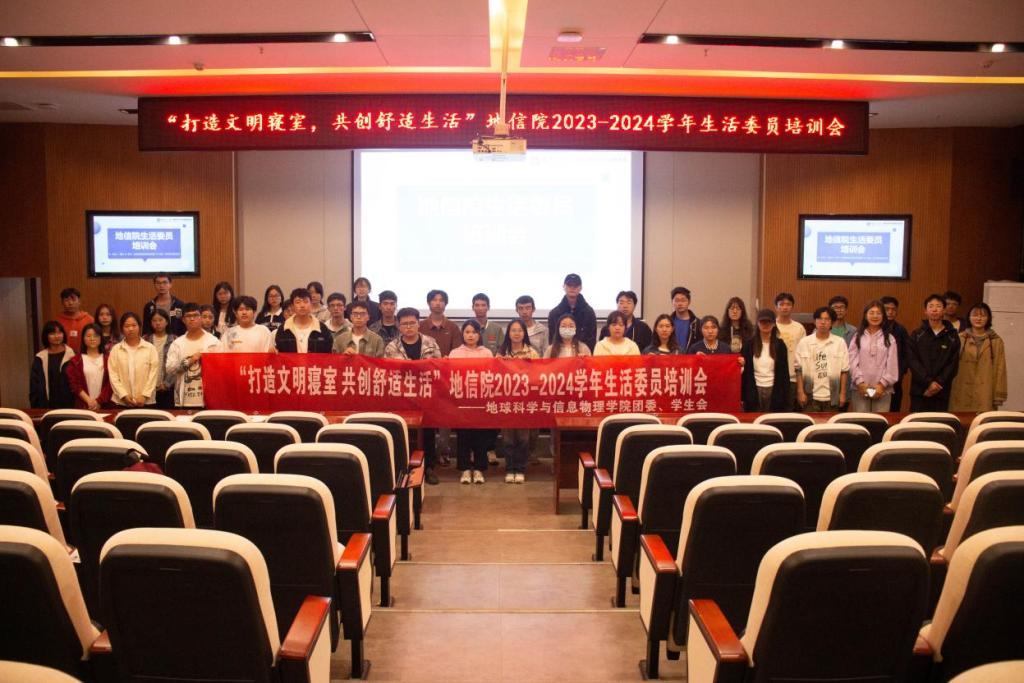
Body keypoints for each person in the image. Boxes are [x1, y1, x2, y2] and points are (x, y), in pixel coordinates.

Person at [385, 307, 443, 485]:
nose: (408, 327)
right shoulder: (392, 347)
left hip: (426, 395)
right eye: (404, 324)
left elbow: (439, 367)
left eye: (412, 323)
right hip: (402, 398)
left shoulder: (430, 343)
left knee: (428, 433)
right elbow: (387, 372)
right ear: (398, 325)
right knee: (404, 433)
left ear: (419, 324)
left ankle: (429, 467)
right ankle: (405, 468)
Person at [450, 320, 493, 484]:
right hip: (462, 400)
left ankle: (480, 469)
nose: (470, 335)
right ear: (462, 334)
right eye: (467, 332)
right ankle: (465, 469)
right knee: (463, 436)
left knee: (481, 436)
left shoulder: (487, 353)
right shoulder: (455, 353)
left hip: (481, 400)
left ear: (479, 334)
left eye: (474, 332)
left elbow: (492, 375)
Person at [496, 319, 538, 483]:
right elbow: (494, 376)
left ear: (524, 333)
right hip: (506, 401)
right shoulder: (501, 353)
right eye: (513, 330)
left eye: (520, 330)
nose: (516, 333)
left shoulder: (532, 352)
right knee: (507, 438)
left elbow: (539, 375)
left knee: (523, 438)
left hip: (525, 401)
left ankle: (520, 469)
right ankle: (509, 468)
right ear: (508, 333)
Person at [949, 302, 1007, 412]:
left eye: (983, 315)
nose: (979, 318)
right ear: (969, 317)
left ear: (988, 318)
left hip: (986, 392)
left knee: (983, 421)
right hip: (961, 390)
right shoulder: (960, 338)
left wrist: (999, 394)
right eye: (975, 315)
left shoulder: (996, 341)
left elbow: (1000, 368)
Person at [908, 293, 961, 412]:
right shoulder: (917, 334)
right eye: (931, 306)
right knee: (917, 421)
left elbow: (953, 364)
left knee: (940, 422)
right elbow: (912, 361)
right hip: (920, 391)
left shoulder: (952, 336)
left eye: (938, 306)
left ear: (944, 310)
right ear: (925, 311)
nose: (934, 309)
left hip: (941, 390)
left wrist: (937, 384)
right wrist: (928, 382)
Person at [165, 303, 221, 408]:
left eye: (195, 315)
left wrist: (208, 360)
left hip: (208, 400)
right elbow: (169, 369)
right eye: (188, 316)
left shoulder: (213, 342)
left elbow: (222, 369)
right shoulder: (177, 343)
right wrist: (189, 361)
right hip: (184, 400)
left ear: (201, 318)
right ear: (183, 320)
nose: (192, 319)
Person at [794, 306, 850, 412]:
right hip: (810, 396)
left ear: (832, 323)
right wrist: (800, 392)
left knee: (831, 423)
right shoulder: (804, 342)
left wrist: (842, 393)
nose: (823, 322)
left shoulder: (839, 342)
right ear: (814, 321)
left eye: (827, 319)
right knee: (810, 422)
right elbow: (798, 370)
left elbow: (844, 371)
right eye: (819, 319)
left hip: (832, 396)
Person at [848, 300, 899, 413]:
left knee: (880, 421)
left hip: (883, 389)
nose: (875, 316)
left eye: (878, 313)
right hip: (860, 388)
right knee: (861, 421)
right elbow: (851, 361)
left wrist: (882, 384)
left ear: (883, 316)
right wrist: (860, 382)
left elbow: (892, 365)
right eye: (871, 313)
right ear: (865, 316)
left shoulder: (889, 338)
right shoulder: (857, 336)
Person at [107, 311, 159, 407]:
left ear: (139, 327)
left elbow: (153, 374)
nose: (130, 329)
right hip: (122, 401)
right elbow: (113, 375)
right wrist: (123, 395)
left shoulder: (150, 348)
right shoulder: (116, 350)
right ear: (122, 329)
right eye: (127, 326)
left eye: (134, 325)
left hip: (146, 401)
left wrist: (145, 395)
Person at [741, 309, 789, 412]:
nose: (765, 324)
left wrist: (786, 396)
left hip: (774, 388)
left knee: (771, 418)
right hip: (754, 389)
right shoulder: (749, 345)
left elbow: (785, 373)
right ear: (757, 323)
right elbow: (744, 372)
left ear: (774, 324)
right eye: (762, 321)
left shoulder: (780, 345)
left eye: (768, 322)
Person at [30, 321, 75, 409]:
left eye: (59, 332)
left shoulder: (72, 356)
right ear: (46, 336)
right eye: (52, 333)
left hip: (70, 405)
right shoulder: (40, 358)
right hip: (46, 405)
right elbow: (34, 386)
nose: (57, 336)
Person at [66, 323, 111, 411]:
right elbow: (74, 385)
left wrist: (98, 401)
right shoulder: (76, 361)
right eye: (88, 336)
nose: (92, 339)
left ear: (101, 338)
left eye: (96, 336)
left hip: (104, 406)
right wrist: (89, 401)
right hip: (83, 406)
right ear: (83, 338)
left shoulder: (108, 359)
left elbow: (110, 384)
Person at [547, 273, 597, 351]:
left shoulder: (589, 313)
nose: (572, 288)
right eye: (569, 285)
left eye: (576, 285)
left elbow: (591, 340)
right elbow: (552, 340)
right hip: (560, 354)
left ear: (580, 288)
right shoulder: (554, 313)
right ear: (564, 287)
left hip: (583, 354)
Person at [275, 288, 334, 353]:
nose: (302, 305)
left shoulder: (322, 329)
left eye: (306, 301)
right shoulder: (283, 329)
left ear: (311, 304)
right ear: (292, 306)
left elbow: (328, 354)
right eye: (298, 302)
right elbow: (280, 353)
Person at [774, 292, 806, 410]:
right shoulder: (771, 326)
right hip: (774, 376)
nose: (785, 307)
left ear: (792, 307)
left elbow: (803, 355)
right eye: (781, 304)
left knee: (792, 411)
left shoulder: (799, 328)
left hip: (793, 377)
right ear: (776, 307)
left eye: (788, 304)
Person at [881, 296, 911, 412]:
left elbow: (907, 354)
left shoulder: (901, 330)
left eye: (893, 309)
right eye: (887, 309)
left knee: (894, 410)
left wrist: (899, 373)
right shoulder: (873, 328)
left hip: (895, 380)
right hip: (875, 380)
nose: (890, 312)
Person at [143, 307, 177, 409]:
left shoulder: (175, 340)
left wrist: (166, 384)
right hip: (148, 389)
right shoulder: (145, 339)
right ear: (150, 323)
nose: (157, 323)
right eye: (154, 320)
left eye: (161, 320)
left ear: (167, 322)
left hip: (168, 388)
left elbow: (176, 365)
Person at [420, 289, 462, 356]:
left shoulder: (453, 327)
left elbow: (457, 352)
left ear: (446, 304)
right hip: (425, 362)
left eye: (441, 300)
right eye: (434, 300)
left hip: (448, 362)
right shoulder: (420, 326)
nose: (438, 303)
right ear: (428, 303)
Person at [56, 287, 94, 351]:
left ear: (79, 301)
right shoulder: (57, 321)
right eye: (66, 300)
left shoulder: (89, 320)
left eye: (73, 300)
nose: (70, 303)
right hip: (64, 354)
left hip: (85, 354)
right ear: (62, 303)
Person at [670, 286, 701, 351]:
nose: (680, 304)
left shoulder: (697, 323)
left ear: (689, 302)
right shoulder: (668, 322)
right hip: (671, 356)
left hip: (691, 356)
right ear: (672, 302)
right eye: (677, 300)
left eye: (683, 300)